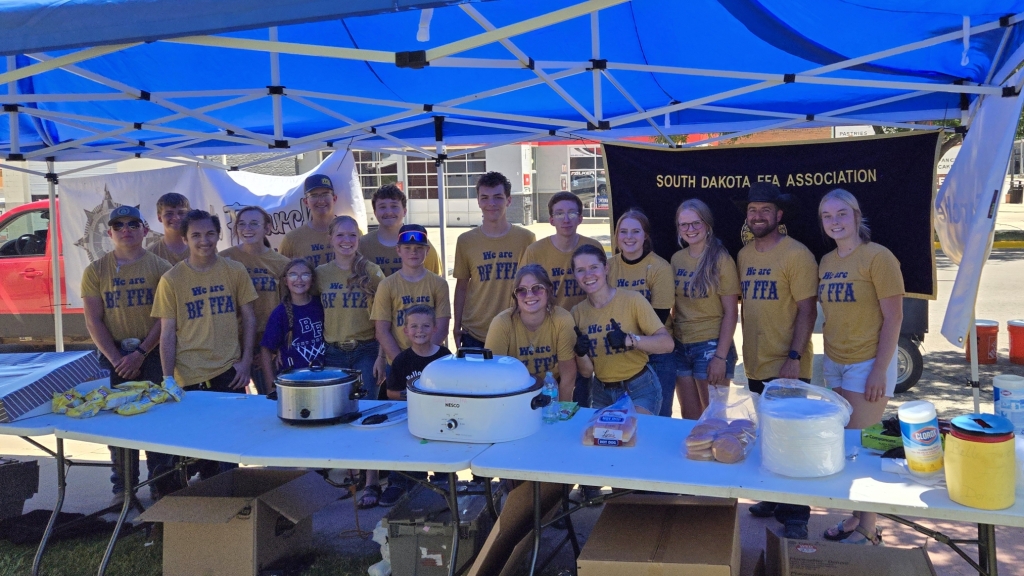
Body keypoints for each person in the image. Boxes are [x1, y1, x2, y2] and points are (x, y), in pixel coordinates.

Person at [818, 189, 903, 546]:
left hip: (867, 363)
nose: (834, 222)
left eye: (841, 214)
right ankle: (858, 517)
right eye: (826, 216)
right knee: (844, 444)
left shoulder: (878, 258)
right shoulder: (826, 261)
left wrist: (878, 371)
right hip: (835, 362)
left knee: (859, 447)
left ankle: (869, 528)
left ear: (856, 216)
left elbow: (894, 318)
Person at [735, 182, 818, 539]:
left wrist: (795, 356)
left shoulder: (797, 255)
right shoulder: (744, 255)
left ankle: (797, 513)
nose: (758, 216)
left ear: (779, 215)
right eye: (753, 210)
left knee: (793, 439)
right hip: (755, 362)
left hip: (788, 364)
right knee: (768, 437)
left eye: (765, 210)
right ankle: (772, 497)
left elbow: (808, 310)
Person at [152, 210, 258, 480]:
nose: (204, 240)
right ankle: (190, 509)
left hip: (228, 372)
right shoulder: (172, 279)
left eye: (210, 233)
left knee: (229, 448)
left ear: (219, 235)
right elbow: (167, 333)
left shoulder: (234, 270)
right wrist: (167, 378)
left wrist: (245, 362)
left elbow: (249, 318)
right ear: (185, 238)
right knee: (191, 450)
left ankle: (229, 506)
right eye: (196, 235)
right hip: (189, 375)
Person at [81, 205, 175, 500]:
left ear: (145, 230)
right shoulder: (95, 270)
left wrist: (142, 353)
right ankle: (123, 488)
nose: (126, 230)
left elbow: (166, 319)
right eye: (118, 225)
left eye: (133, 224)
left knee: (158, 422)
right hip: (113, 356)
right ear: (109, 233)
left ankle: (161, 486)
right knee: (117, 424)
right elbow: (93, 319)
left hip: (152, 355)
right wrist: (116, 359)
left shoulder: (161, 268)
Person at [570, 244, 674, 415]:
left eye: (594, 267)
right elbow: (587, 371)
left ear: (606, 268)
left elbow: (667, 344)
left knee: (633, 435)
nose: (588, 275)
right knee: (605, 439)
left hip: (639, 387)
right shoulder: (577, 312)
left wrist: (630, 340)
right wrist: (580, 353)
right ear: (575, 275)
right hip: (602, 391)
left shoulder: (633, 300)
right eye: (581, 270)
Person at [376, 304, 452, 506]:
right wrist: (417, 398)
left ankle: (443, 478)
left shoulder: (445, 356)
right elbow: (391, 392)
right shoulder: (401, 360)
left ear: (435, 329)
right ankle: (400, 482)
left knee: (442, 446)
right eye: (415, 326)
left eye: (426, 326)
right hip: (411, 415)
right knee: (404, 443)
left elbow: (455, 386)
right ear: (406, 331)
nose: (420, 331)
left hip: (439, 416)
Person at [670, 199, 740, 420]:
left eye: (696, 223)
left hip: (711, 347)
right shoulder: (676, 259)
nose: (690, 229)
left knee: (713, 420)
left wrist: (720, 356)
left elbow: (731, 312)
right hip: (681, 346)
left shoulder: (721, 259)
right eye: (684, 225)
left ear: (707, 225)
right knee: (690, 419)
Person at [453, 172, 535, 348]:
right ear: (478, 201)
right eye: (485, 197)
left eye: (498, 197)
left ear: (509, 200)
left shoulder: (526, 238)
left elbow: (534, 286)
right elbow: (461, 286)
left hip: (515, 329)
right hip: (474, 332)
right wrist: (456, 326)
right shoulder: (465, 241)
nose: (491, 203)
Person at [607, 209, 676, 417]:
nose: (629, 237)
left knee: (657, 421)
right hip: (619, 354)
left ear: (645, 235)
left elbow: (659, 318)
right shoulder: (608, 267)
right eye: (623, 232)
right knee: (620, 421)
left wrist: (629, 339)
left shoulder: (659, 267)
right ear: (617, 235)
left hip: (656, 354)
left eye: (635, 231)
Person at [220, 206, 291, 393]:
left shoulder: (281, 263)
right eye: (242, 224)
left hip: (266, 344)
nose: (247, 228)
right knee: (235, 406)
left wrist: (275, 349)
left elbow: (288, 309)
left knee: (270, 399)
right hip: (231, 345)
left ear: (267, 228)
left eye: (254, 223)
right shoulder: (224, 258)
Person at [485, 265, 578, 400]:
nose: (529, 295)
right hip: (513, 393)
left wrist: (560, 412)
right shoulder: (501, 323)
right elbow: (493, 375)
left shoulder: (562, 319)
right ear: (515, 296)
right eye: (522, 291)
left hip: (551, 390)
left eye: (537, 288)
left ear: (549, 290)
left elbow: (568, 375)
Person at [317, 215, 385, 399]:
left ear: (359, 239)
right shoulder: (320, 274)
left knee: (366, 408)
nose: (346, 240)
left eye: (352, 235)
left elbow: (386, 317)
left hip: (367, 351)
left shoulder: (372, 271)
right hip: (332, 353)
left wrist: (382, 357)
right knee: (336, 409)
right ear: (330, 238)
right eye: (340, 235)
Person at [371, 224, 451, 378]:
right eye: (407, 247)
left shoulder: (438, 284)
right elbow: (382, 330)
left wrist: (423, 360)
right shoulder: (387, 285)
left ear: (427, 251)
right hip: (397, 359)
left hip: (431, 362)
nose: (413, 252)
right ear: (398, 250)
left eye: (419, 248)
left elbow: (441, 328)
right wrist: (403, 362)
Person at [260, 259, 326, 379]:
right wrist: (271, 386)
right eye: (293, 275)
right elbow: (266, 349)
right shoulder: (280, 313)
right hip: (294, 380)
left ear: (313, 280)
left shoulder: (322, 305)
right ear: (285, 280)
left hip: (324, 377)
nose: (299, 280)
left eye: (305, 275)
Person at [359, 184, 443, 276]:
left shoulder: (420, 243)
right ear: (375, 213)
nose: (389, 212)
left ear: (404, 211)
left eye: (394, 206)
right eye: (382, 207)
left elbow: (436, 281)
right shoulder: (362, 245)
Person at [280, 174, 338, 267]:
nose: (321, 200)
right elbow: (282, 275)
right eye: (314, 196)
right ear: (306, 202)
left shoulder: (352, 234)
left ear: (334, 199)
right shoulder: (291, 240)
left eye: (325, 194)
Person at [149, 193, 190, 265]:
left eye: (181, 213)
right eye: (169, 213)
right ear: (159, 218)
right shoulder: (152, 254)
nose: (176, 217)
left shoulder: (203, 247)